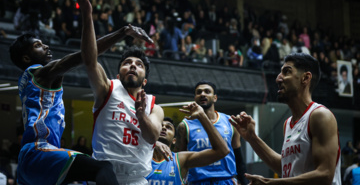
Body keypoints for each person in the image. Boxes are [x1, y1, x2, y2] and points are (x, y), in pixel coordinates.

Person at [8, 0, 146, 185]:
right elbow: (87, 55)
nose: (46, 46)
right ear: (27, 57)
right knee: (103, 168)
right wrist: (123, 32)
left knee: (83, 180)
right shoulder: (40, 72)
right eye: (38, 45)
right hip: (39, 151)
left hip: (31, 160)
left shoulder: (31, 80)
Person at [80, 0, 164, 184]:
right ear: (119, 74)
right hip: (103, 175)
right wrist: (87, 11)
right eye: (127, 63)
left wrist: (141, 114)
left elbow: (152, 137)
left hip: (137, 179)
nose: (133, 66)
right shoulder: (107, 89)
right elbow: (89, 59)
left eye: (139, 64)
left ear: (145, 80)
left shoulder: (154, 107)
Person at [230, 53, 342, 184]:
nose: (278, 79)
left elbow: (325, 174)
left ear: (305, 78)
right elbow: (286, 168)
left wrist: (270, 183)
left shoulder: (320, 116)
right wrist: (252, 138)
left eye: (286, 72)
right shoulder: (288, 123)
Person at [174, 80, 248, 185]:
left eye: (207, 91)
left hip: (226, 179)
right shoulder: (185, 125)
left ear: (215, 98)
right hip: (197, 181)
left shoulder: (230, 122)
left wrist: (244, 182)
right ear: (195, 98)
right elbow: (178, 161)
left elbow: (239, 158)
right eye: (199, 92)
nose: (202, 94)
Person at [146, 103, 230, 185]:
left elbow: (222, 151)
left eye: (169, 127)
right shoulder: (140, 155)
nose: (164, 128)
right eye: (160, 126)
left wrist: (202, 117)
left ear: (174, 140)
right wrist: (154, 143)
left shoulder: (180, 159)